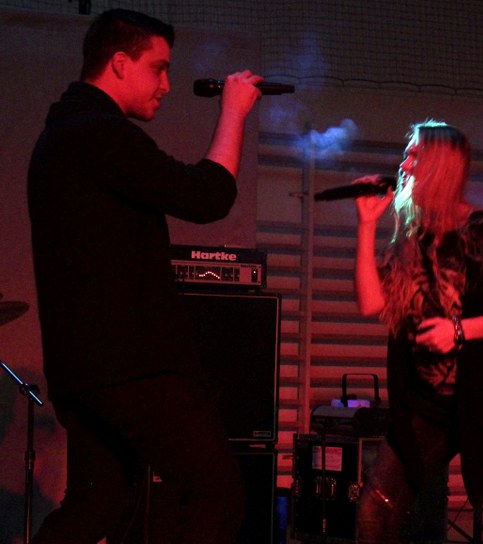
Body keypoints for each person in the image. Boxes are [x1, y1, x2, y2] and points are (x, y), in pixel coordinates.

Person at [27, 9, 263, 544]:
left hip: (84, 371)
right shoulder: (100, 133)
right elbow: (206, 196)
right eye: (158, 68)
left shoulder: (60, 136)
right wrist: (233, 113)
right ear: (118, 63)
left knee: (97, 504)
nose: (166, 85)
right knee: (216, 493)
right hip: (133, 365)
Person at [352, 120, 483, 544]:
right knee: (374, 511)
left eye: (414, 156)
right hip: (428, 406)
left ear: (440, 166)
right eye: (406, 156)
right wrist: (366, 225)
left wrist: (458, 330)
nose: (404, 165)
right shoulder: (412, 237)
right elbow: (370, 303)